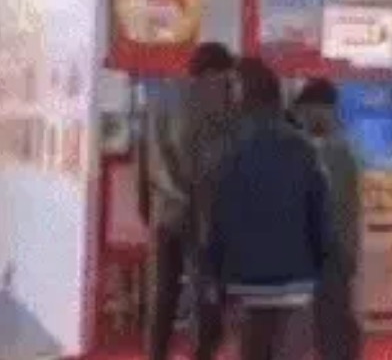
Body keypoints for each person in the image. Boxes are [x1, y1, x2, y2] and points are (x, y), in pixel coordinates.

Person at [206, 58, 332, 360]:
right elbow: (320, 217)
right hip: (296, 280)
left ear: (242, 97)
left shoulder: (228, 150)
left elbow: (217, 221)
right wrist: (319, 265)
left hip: (244, 282)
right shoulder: (304, 149)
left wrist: (215, 276)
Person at [143, 42, 238, 360]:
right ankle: (203, 353)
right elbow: (219, 160)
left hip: (164, 210)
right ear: (216, 72)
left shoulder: (160, 97)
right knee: (205, 290)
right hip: (202, 212)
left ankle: (156, 353)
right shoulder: (217, 101)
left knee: (162, 292)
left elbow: (148, 158)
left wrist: (149, 206)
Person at [290, 78, 362, 360]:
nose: (303, 118)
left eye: (307, 111)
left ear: (323, 110)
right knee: (327, 329)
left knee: (331, 329)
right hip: (323, 254)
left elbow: (344, 207)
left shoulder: (335, 152)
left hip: (329, 255)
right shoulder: (332, 149)